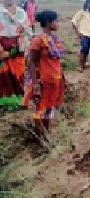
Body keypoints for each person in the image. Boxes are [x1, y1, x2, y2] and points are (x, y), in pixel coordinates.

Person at [22, 10, 65, 140]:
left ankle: (45, 135)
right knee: (40, 110)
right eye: (56, 21)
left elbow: (56, 61)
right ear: (48, 22)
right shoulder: (38, 39)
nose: (58, 23)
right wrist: (35, 85)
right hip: (43, 81)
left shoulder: (54, 39)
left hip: (55, 80)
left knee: (49, 109)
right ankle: (40, 138)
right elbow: (31, 63)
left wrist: (62, 77)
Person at [0, 0, 31, 111]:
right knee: (3, 76)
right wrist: (1, 50)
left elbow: (26, 30)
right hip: (1, 47)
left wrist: (18, 48)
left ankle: (20, 101)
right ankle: (5, 103)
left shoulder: (21, 12)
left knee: (18, 74)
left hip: (17, 47)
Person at [72, 0, 90, 73]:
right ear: (86, 4)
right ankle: (80, 66)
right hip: (83, 34)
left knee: (87, 50)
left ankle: (84, 63)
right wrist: (78, 33)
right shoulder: (82, 12)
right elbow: (73, 22)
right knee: (84, 48)